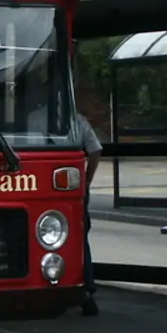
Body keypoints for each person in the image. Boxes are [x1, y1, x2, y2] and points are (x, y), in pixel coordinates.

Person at [77, 110, 102, 316]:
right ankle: (86, 288)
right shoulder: (78, 120)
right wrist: (86, 181)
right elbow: (95, 151)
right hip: (74, 187)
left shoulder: (33, 118)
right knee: (80, 237)